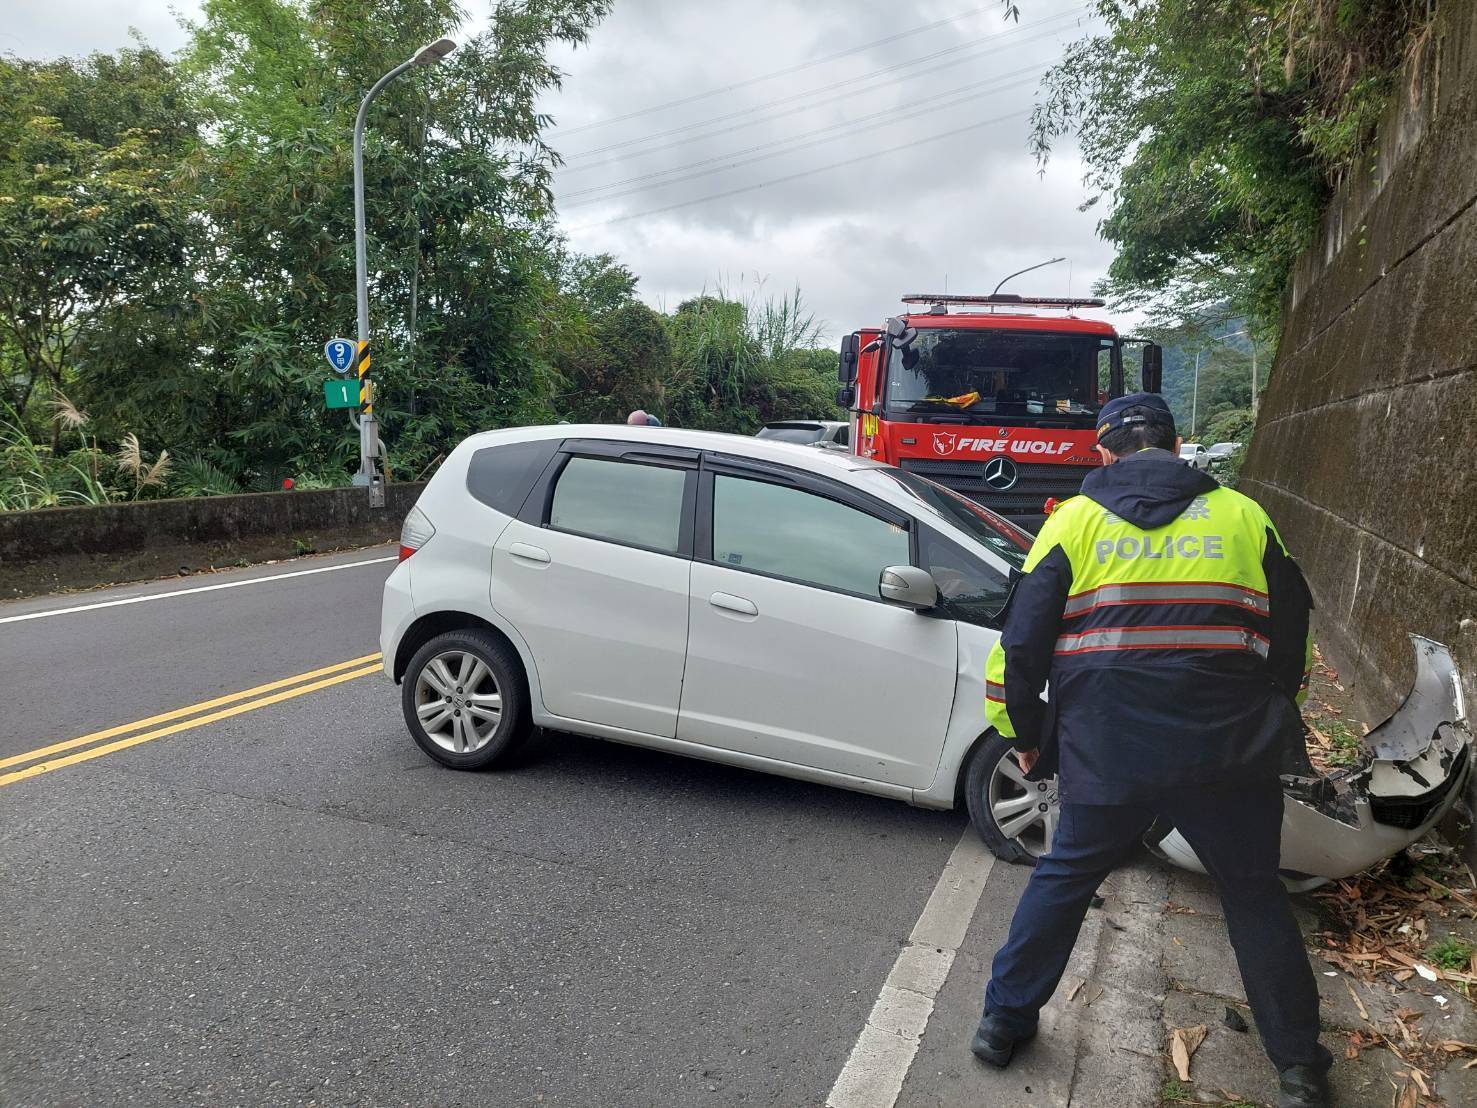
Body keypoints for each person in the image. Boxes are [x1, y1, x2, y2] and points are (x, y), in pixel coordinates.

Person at [974, 393, 1332, 1108]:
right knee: (1253, 896)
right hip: (1226, 754)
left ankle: (1001, 1023)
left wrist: (1028, 740)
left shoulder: (1072, 522)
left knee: (1063, 880)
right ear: (1175, 446)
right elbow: (1292, 629)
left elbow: (1020, 647)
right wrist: (1264, 709)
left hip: (1108, 754)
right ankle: (1297, 1069)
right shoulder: (1241, 514)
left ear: (1101, 453)